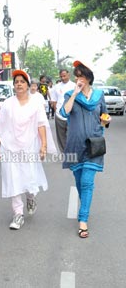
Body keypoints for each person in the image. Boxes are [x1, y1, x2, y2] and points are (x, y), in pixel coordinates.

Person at [0, 70, 56, 230]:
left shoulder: (36, 104)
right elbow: (1, 127)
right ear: (14, 86)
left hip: (30, 147)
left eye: (22, 81)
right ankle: (18, 214)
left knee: (29, 177)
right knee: (13, 178)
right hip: (9, 147)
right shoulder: (7, 104)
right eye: (16, 82)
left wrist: (43, 146)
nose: (19, 84)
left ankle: (30, 197)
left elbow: (41, 124)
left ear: (28, 85)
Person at [60, 60, 111, 238]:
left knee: (88, 182)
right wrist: (74, 93)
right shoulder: (69, 94)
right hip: (75, 144)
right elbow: (64, 113)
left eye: (81, 76)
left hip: (93, 144)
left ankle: (83, 220)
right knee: (80, 181)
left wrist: (106, 120)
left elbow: (103, 116)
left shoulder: (99, 95)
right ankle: (85, 208)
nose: (78, 79)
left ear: (88, 77)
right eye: (77, 77)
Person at [52, 69, 75, 153]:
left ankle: (71, 151)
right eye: (61, 76)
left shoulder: (74, 86)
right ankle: (64, 153)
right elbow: (54, 100)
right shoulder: (56, 87)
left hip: (71, 115)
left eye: (64, 76)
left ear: (68, 75)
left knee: (71, 135)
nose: (63, 78)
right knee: (61, 136)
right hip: (59, 115)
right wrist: (56, 110)